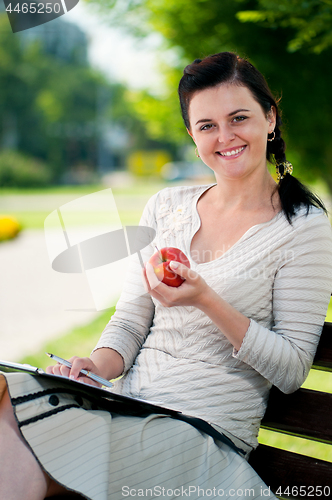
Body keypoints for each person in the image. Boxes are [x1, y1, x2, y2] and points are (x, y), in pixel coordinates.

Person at [1, 51, 332, 500]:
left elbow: (292, 369)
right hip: (126, 407)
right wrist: (94, 367)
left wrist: (206, 300)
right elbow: (130, 319)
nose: (225, 136)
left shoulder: (304, 227)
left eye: (239, 118)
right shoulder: (166, 207)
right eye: (207, 125)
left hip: (200, 434)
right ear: (192, 135)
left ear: (270, 118)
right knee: (6, 388)